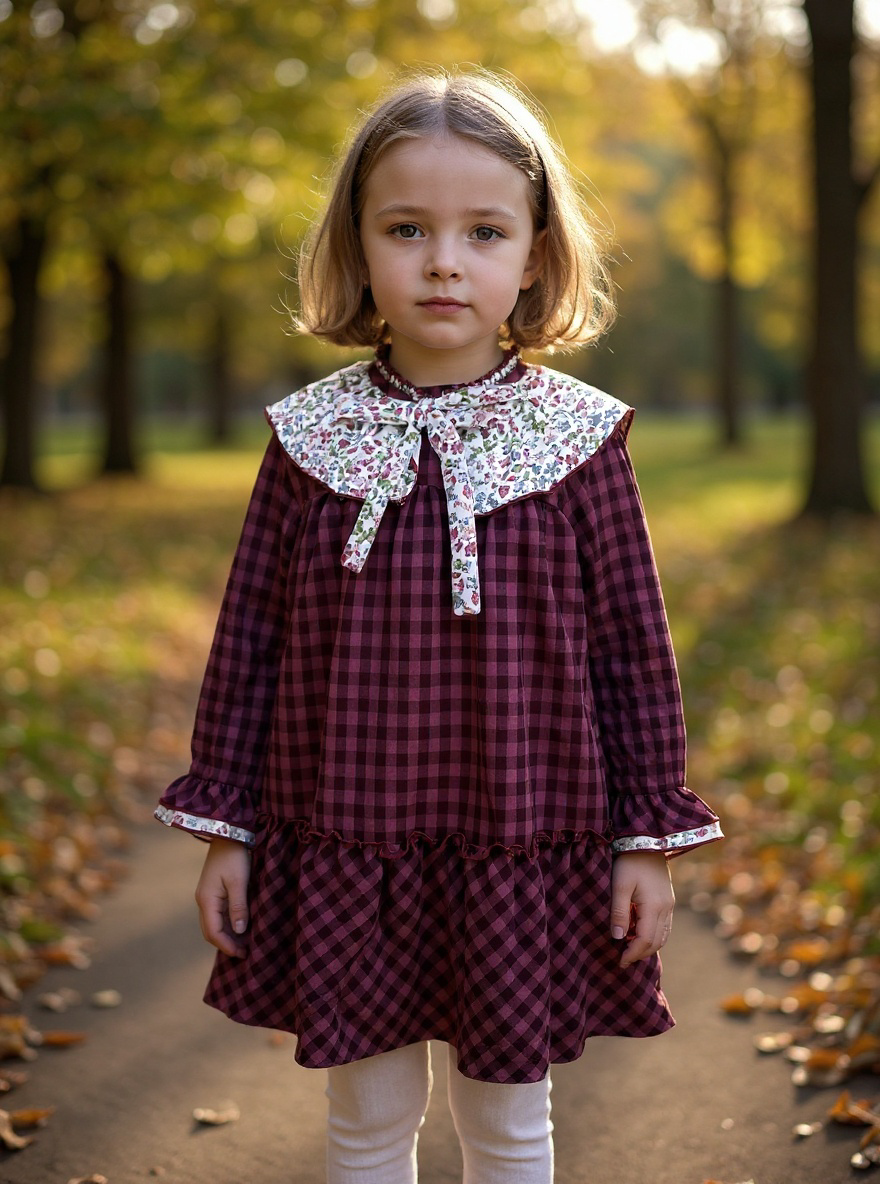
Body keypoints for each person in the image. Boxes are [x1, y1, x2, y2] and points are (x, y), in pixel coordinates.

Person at [155, 67, 722, 1184]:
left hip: (519, 837)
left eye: (483, 230)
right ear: (358, 247)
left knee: (509, 1124)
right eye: (406, 228)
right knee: (365, 1124)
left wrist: (642, 840)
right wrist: (230, 825)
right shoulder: (310, 438)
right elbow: (250, 640)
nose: (444, 260)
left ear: (535, 254)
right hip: (345, 841)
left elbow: (633, 654)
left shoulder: (578, 442)